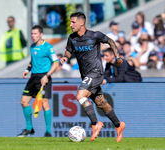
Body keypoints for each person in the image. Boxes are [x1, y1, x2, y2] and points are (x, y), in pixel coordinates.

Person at [60, 12, 125, 142]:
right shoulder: (72, 38)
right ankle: (118, 125)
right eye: (70, 22)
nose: (71, 25)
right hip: (86, 75)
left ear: (81, 23)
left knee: (80, 96)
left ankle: (95, 124)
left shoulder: (95, 35)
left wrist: (117, 57)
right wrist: (65, 57)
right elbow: (69, 50)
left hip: (96, 73)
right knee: (102, 104)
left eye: (73, 22)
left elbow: (111, 41)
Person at [17, 25, 60, 137]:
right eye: (32, 34)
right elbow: (33, 60)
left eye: (35, 34)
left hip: (44, 77)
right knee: (24, 101)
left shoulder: (48, 47)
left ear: (41, 34)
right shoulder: (32, 47)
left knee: (44, 103)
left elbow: (56, 63)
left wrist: (47, 75)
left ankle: (48, 131)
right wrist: (27, 69)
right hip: (33, 77)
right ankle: (29, 128)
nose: (33, 36)